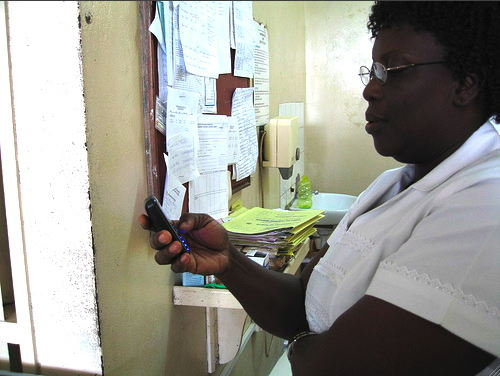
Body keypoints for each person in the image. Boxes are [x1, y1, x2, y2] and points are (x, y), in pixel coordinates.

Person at [139, 2, 499, 375]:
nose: (370, 90)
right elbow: (302, 303)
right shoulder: (392, 184)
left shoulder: (487, 208)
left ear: (465, 84)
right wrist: (229, 260)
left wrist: (300, 344)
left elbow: (334, 368)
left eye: (393, 70)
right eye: (372, 72)